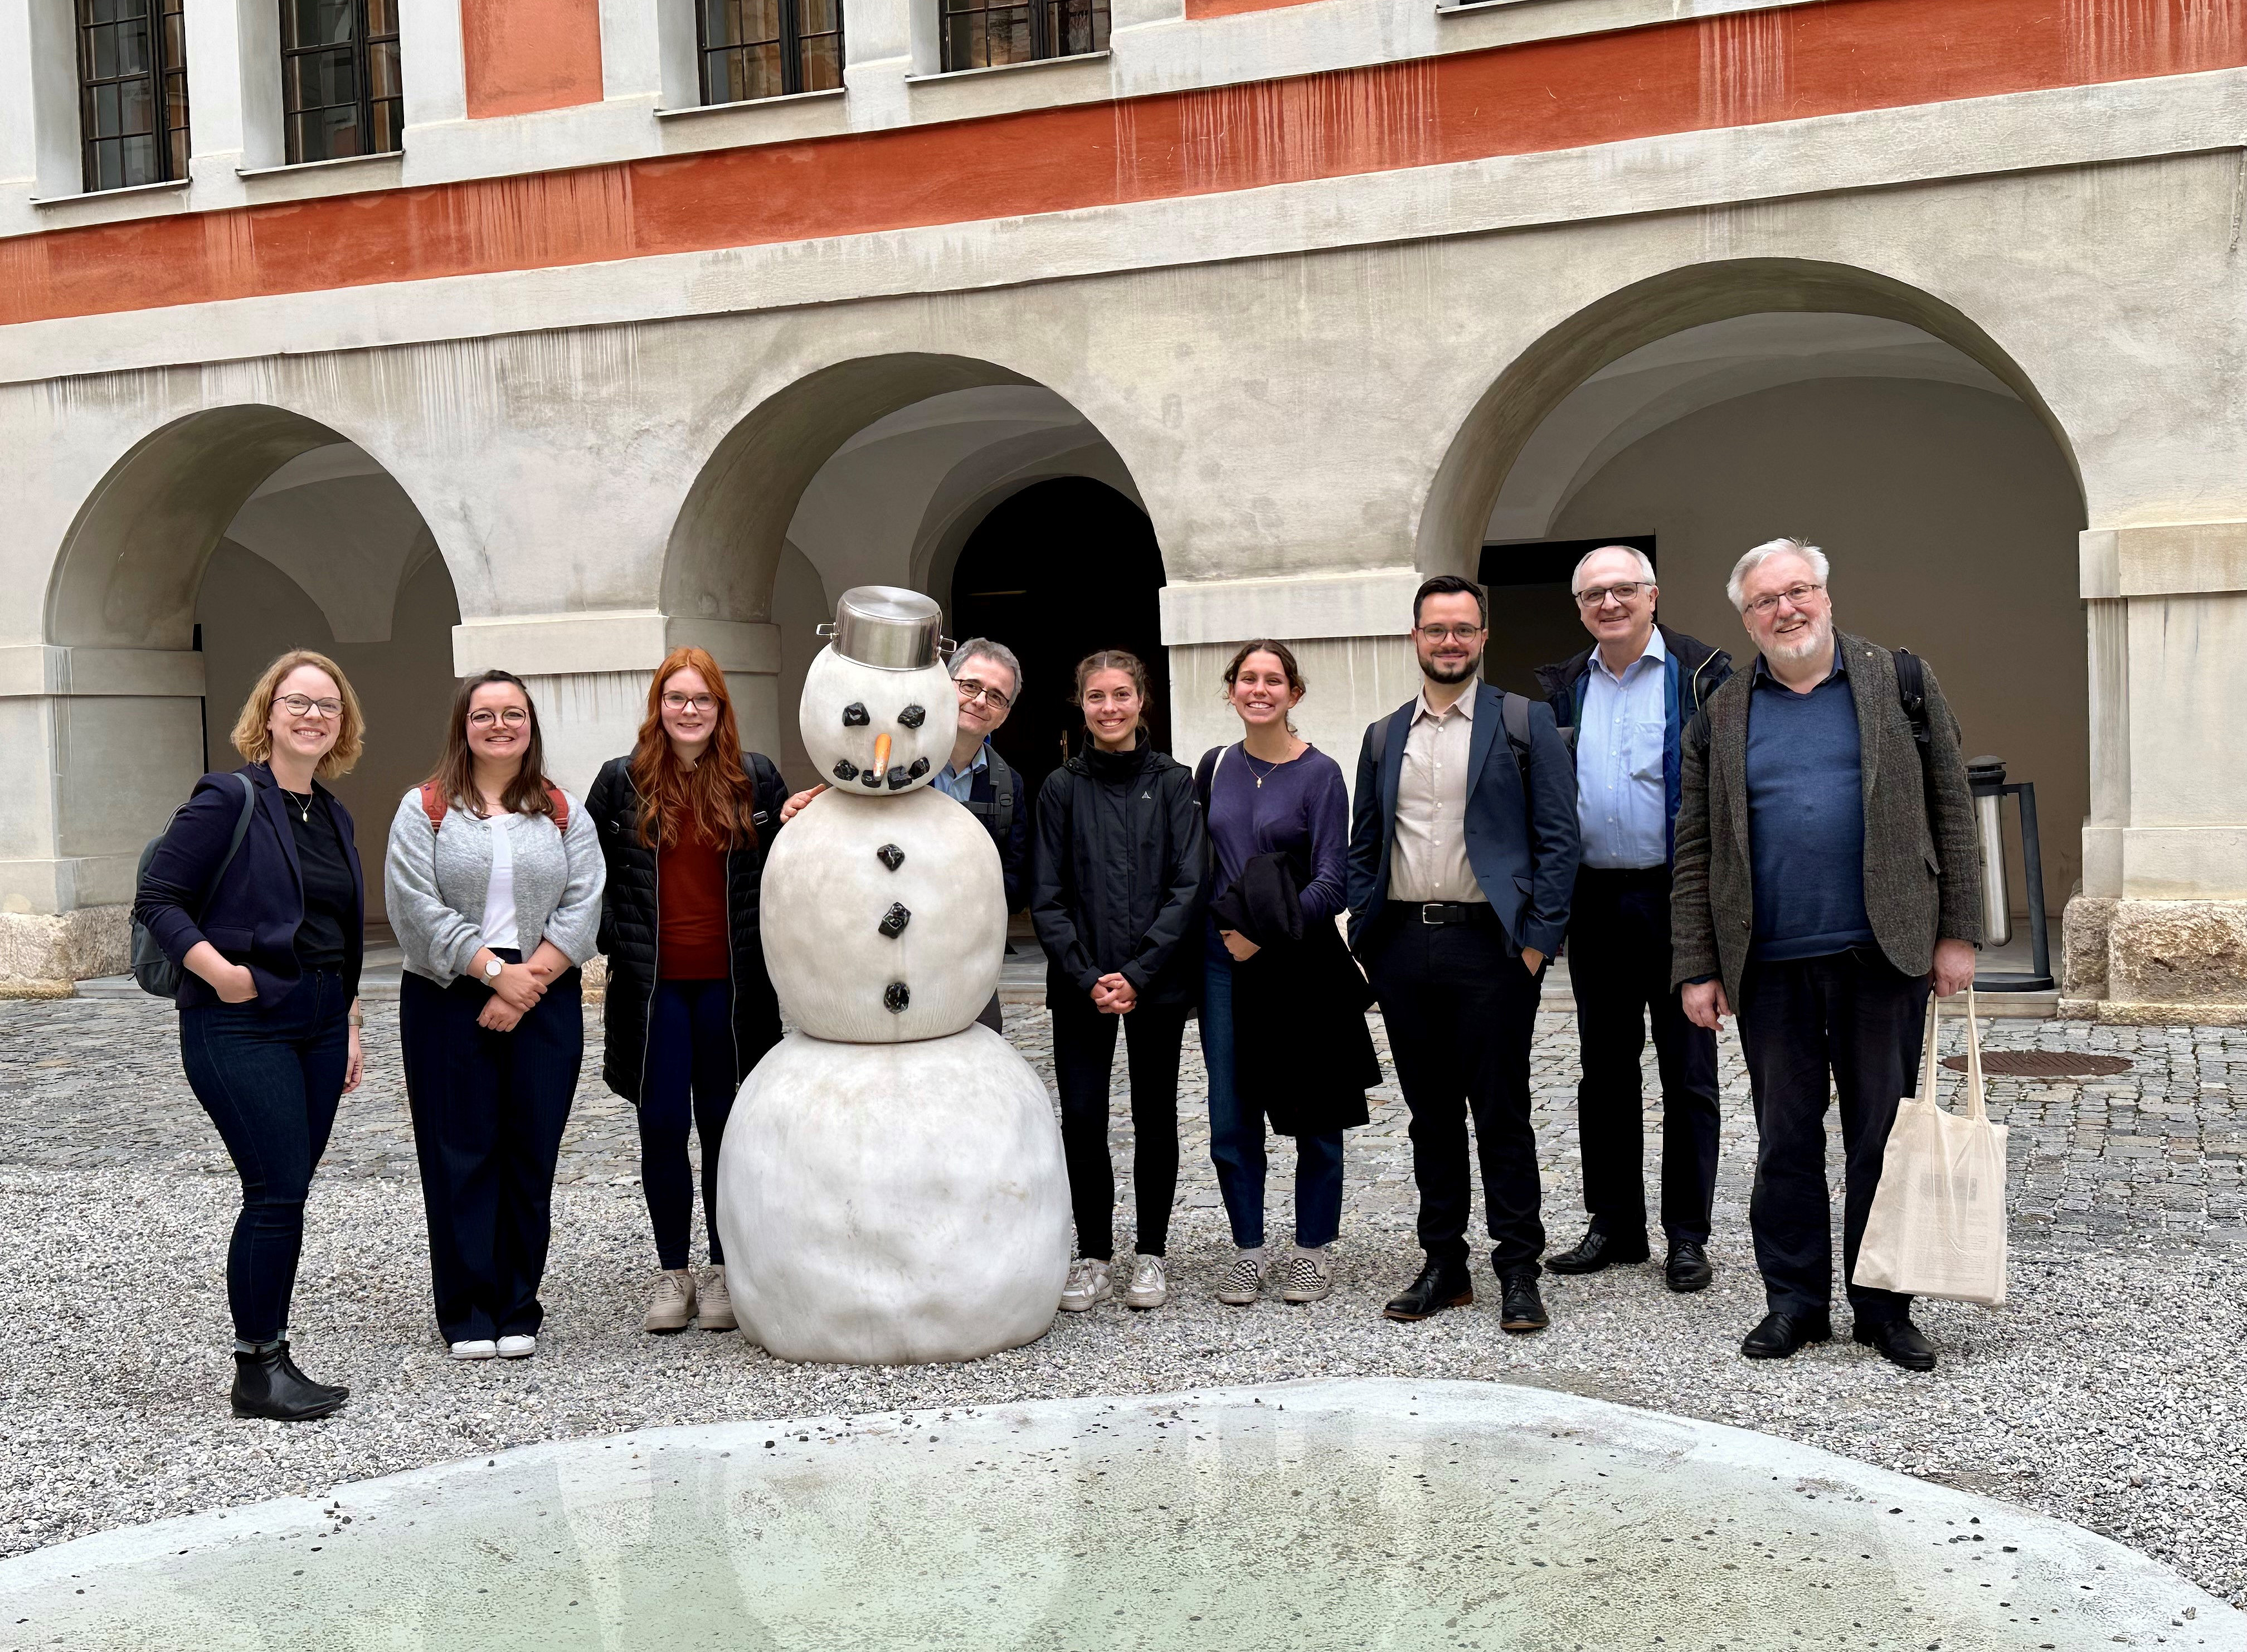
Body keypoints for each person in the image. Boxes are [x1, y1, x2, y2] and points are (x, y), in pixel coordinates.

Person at [1671, 537, 1981, 1372]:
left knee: (1880, 1135)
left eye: (1798, 591)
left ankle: (1884, 1307)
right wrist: (1696, 965)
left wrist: (1958, 932)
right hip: (1768, 964)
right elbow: (1695, 846)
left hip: (1881, 955)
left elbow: (1953, 807)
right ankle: (1795, 1302)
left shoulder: (1899, 682)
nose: (1786, 610)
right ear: (1747, 618)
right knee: (1783, 1140)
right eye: (1766, 601)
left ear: (1827, 596)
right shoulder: (1724, 713)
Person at [134, 649, 369, 1421]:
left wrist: (353, 1021)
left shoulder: (332, 815)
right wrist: (220, 972)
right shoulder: (226, 798)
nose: (312, 716)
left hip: (322, 1021)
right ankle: (256, 1368)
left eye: (327, 707)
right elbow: (159, 898)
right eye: (297, 702)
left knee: (289, 1192)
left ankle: (273, 1354)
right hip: (240, 1021)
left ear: (343, 725)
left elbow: (336, 931)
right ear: (267, 713)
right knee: (274, 1190)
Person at [1345, 574, 1579, 1332]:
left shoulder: (1523, 722)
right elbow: (1363, 846)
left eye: (1464, 629)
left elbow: (1558, 839)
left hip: (1494, 949)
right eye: (1436, 629)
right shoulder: (1384, 737)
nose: (1450, 642)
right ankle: (1444, 1262)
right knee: (1430, 1117)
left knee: (1502, 1113)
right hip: (1405, 948)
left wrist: (1538, 945)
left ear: (1483, 638)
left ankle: (1518, 1268)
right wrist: (1368, 939)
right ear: (1415, 637)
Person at [386, 670, 604, 1361]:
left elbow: (586, 904)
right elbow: (414, 909)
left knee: (529, 1149)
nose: (500, 725)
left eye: (514, 714)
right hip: (448, 991)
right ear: (464, 726)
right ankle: (466, 1309)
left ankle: (517, 1304)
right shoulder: (424, 810)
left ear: (531, 726)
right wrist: (492, 975)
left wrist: (526, 983)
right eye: (486, 715)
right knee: (459, 1151)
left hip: (543, 992)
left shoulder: (563, 809)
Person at [1533, 546, 1732, 1294]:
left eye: (1623, 591)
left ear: (1653, 596)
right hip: (1596, 901)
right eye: (1594, 596)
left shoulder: (1701, 674)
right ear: (1580, 608)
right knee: (1604, 1072)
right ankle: (1615, 1226)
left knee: (1689, 1074)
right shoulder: (1564, 688)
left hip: (1677, 899)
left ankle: (1687, 1235)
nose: (1609, 604)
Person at [586, 647, 787, 1336]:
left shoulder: (753, 778)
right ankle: (674, 1272)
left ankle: (725, 1268)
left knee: (728, 1130)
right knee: (663, 1127)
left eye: (702, 699)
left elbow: (786, 861)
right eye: (677, 698)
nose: (690, 711)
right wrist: (618, 936)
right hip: (655, 990)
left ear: (720, 708)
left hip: (733, 991)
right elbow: (587, 873)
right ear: (659, 706)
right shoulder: (622, 782)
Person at [1194, 640, 1375, 1307]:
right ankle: (1248, 1250)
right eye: (1248, 679)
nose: (1260, 689)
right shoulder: (1214, 769)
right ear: (1232, 691)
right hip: (1223, 963)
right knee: (1229, 1109)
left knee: (1314, 1108)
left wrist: (1263, 936)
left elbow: (1336, 881)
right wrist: (1227, 939)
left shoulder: (1321, 774)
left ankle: (1311, 1249)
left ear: (1294, 695)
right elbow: (1201, 868)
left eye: (1274, 680)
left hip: (1296, 962)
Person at [1030, 649, 1207, 1313]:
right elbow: (1045, 894)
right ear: (1081, 704)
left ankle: (1152, 1254)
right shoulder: (1060, 788)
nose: (1110, 708)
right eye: (1097, 696)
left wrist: (1136, 973)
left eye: (1122, 695)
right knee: (1082, 1118)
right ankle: (1095, 1253)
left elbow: (1188, 886)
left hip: (1154, 983)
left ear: (1143, 701)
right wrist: (1086, 976)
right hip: (1080, 986)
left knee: (1155, 1116)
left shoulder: (1174, 783)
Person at [784, 637, 1029, 1033]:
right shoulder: (887, 761)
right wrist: (803, 816)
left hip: (956, 961)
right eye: (969, 686)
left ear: (1004, 714)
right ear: (943, 688)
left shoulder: (1008, 786)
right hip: (874, 954)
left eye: (996, 696)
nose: (980, 701)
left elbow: (1014, 882)